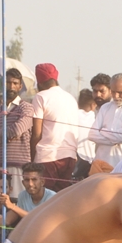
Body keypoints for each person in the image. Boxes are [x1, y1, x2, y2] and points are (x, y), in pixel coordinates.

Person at [29, 63, 80, 191]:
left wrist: (32, 158)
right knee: (61, 198)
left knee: (45, 198)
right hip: (69, 156)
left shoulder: (41, 97)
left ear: (39, 83)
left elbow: (36, 134)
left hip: (48, 156)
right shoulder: (71, 98)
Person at [0, 68, 34, 196]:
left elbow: (17, 129)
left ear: (20, 86)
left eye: (15, 83)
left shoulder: (26, 108)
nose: (11, 86)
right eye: (8, 83)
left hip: (18, 165)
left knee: (17, 201)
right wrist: (7, 136)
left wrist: (0, 133)